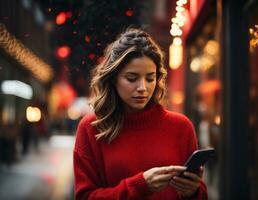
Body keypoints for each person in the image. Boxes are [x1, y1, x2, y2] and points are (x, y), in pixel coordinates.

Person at [73, 28, 208, 199]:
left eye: (150, 78)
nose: (143, 88)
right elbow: (85, 196)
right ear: (114, 78)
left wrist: (192, 192)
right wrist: (139, 186)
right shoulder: (91, 128)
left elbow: (201, 195)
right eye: (131, 78)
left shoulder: (181, 126)